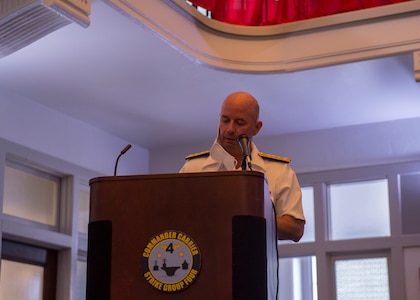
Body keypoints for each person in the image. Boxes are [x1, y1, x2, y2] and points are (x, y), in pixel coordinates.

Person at [180, 91, 305, 242]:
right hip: (205, 260)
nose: (230, 129)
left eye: (240, 123)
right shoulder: (193, 168)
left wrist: (250, 221)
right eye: (225, 120)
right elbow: (173, 218)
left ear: (256, 128)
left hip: (255, 262)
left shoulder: (278, 171)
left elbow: (295, 229)